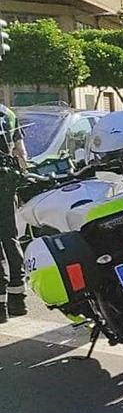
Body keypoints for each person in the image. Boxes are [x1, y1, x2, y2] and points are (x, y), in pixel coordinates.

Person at [0, 103, 27, 322]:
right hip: (6, 180)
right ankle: (18, 301)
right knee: (10, 236)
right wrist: (23, 176)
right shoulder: (8, 113)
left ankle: (1, 308)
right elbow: (20, 151)